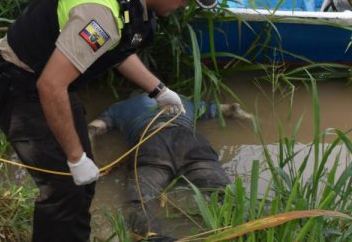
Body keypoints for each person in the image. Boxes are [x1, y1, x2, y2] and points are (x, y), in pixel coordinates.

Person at [0, 0, 217, 241]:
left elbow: (115, 48)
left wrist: (158, 90)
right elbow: (51, 85)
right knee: (66, 189)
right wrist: (75, 157)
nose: (184, 5)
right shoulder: (102, 13)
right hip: (23, 88)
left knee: (80, 185)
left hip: (48, 81)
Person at [88, 94, 253, 240]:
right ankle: (250, 229)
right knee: (225, 192)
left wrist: (93, 159)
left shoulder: (119, 107)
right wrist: (254, 120)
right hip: (190, 143)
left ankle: (151, 236)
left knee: (138, 201)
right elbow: (232, 110)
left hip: (151, 146)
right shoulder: (181, 98)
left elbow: (92, 129)